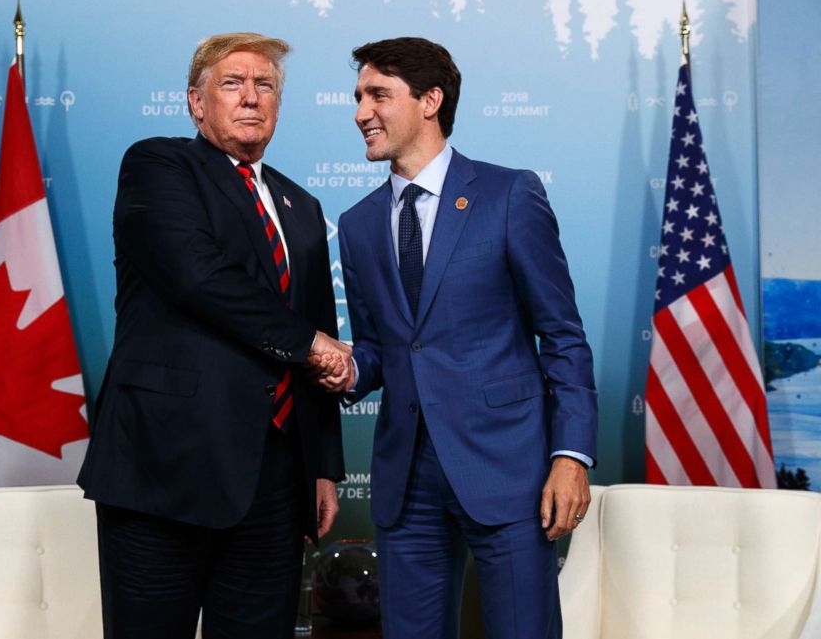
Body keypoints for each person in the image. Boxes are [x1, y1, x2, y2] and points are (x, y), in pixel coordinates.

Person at [77, 32, 350, 639]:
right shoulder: (158, 164)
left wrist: (323, 466)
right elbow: (198, 275)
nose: (251, 97)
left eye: (266, 86)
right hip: (164, 469)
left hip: (276, 480)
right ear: (197, 104)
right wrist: (311, 344)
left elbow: (319, 327)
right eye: (233, 83)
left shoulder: (300, 206)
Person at [333, 37, 598, 638]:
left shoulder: (509, 195)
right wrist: (346, 368)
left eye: (377, 95)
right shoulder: (356, 225)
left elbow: (562, 335)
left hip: (510, 469)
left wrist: (571, 454)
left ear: (430, 100)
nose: (359, 112)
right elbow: (380, 349)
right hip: (406, 481)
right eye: (357, 97)